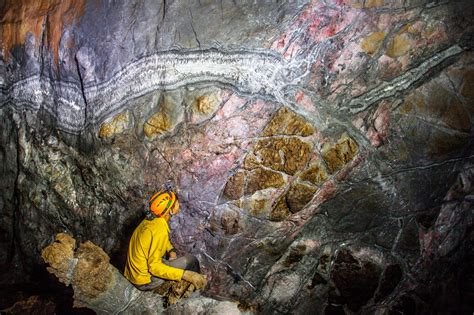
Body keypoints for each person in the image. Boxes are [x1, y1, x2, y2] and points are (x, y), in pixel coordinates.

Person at [124, 188, 207, 291]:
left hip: (133, 272)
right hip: (145, 280)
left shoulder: (151, 219)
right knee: (192, 260)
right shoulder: (160, 229)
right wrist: (185, 275)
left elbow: (156, 240)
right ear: (171, 210)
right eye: (176, 203)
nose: (178, 204)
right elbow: (154, 267)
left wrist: (171, 250)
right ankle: (196, 289)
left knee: (168, 259)